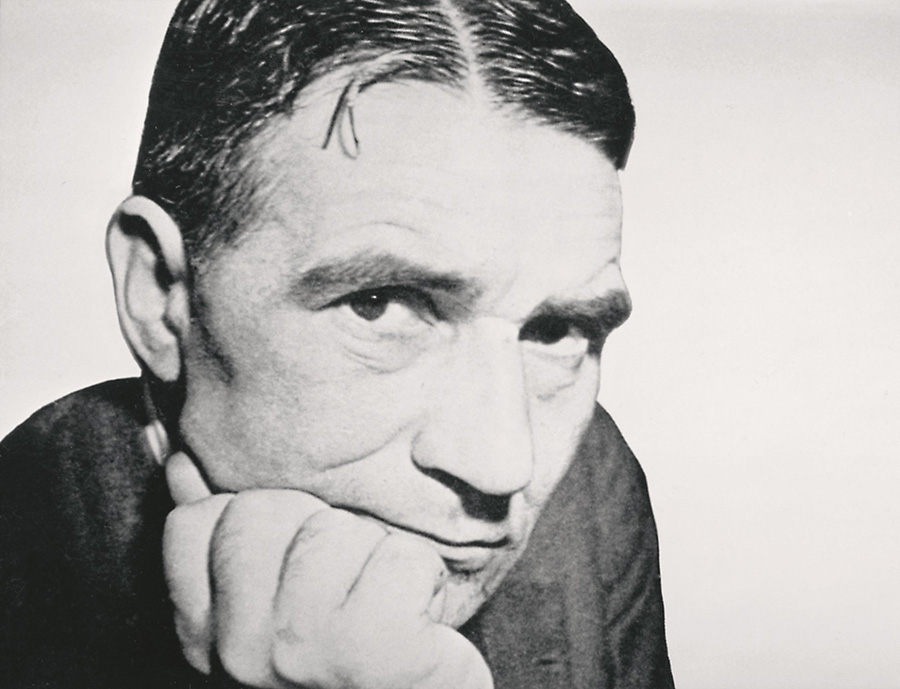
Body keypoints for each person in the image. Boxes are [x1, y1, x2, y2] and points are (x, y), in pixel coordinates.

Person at [0, 1, 674, 687]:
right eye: (380, 304)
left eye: (555, 330)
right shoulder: (24, 532)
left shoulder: (595, 479)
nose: (504, 467)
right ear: (160, 293)